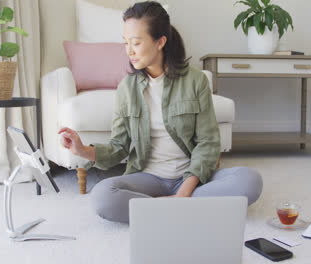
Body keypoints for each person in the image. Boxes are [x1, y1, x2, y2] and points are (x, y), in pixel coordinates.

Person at [58, 1, 262, 224]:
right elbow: (119, 147)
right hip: (149, 177)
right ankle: (190, 208)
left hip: (191, 176)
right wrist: (83, 150)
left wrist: (184, 192)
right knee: (103, 196)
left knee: (250, 180)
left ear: (160, 42)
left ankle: (160, 208)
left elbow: (208, 142)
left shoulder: (195, 80)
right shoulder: (127, 87)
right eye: (125, 42)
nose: (129, 51)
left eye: (136, 42)